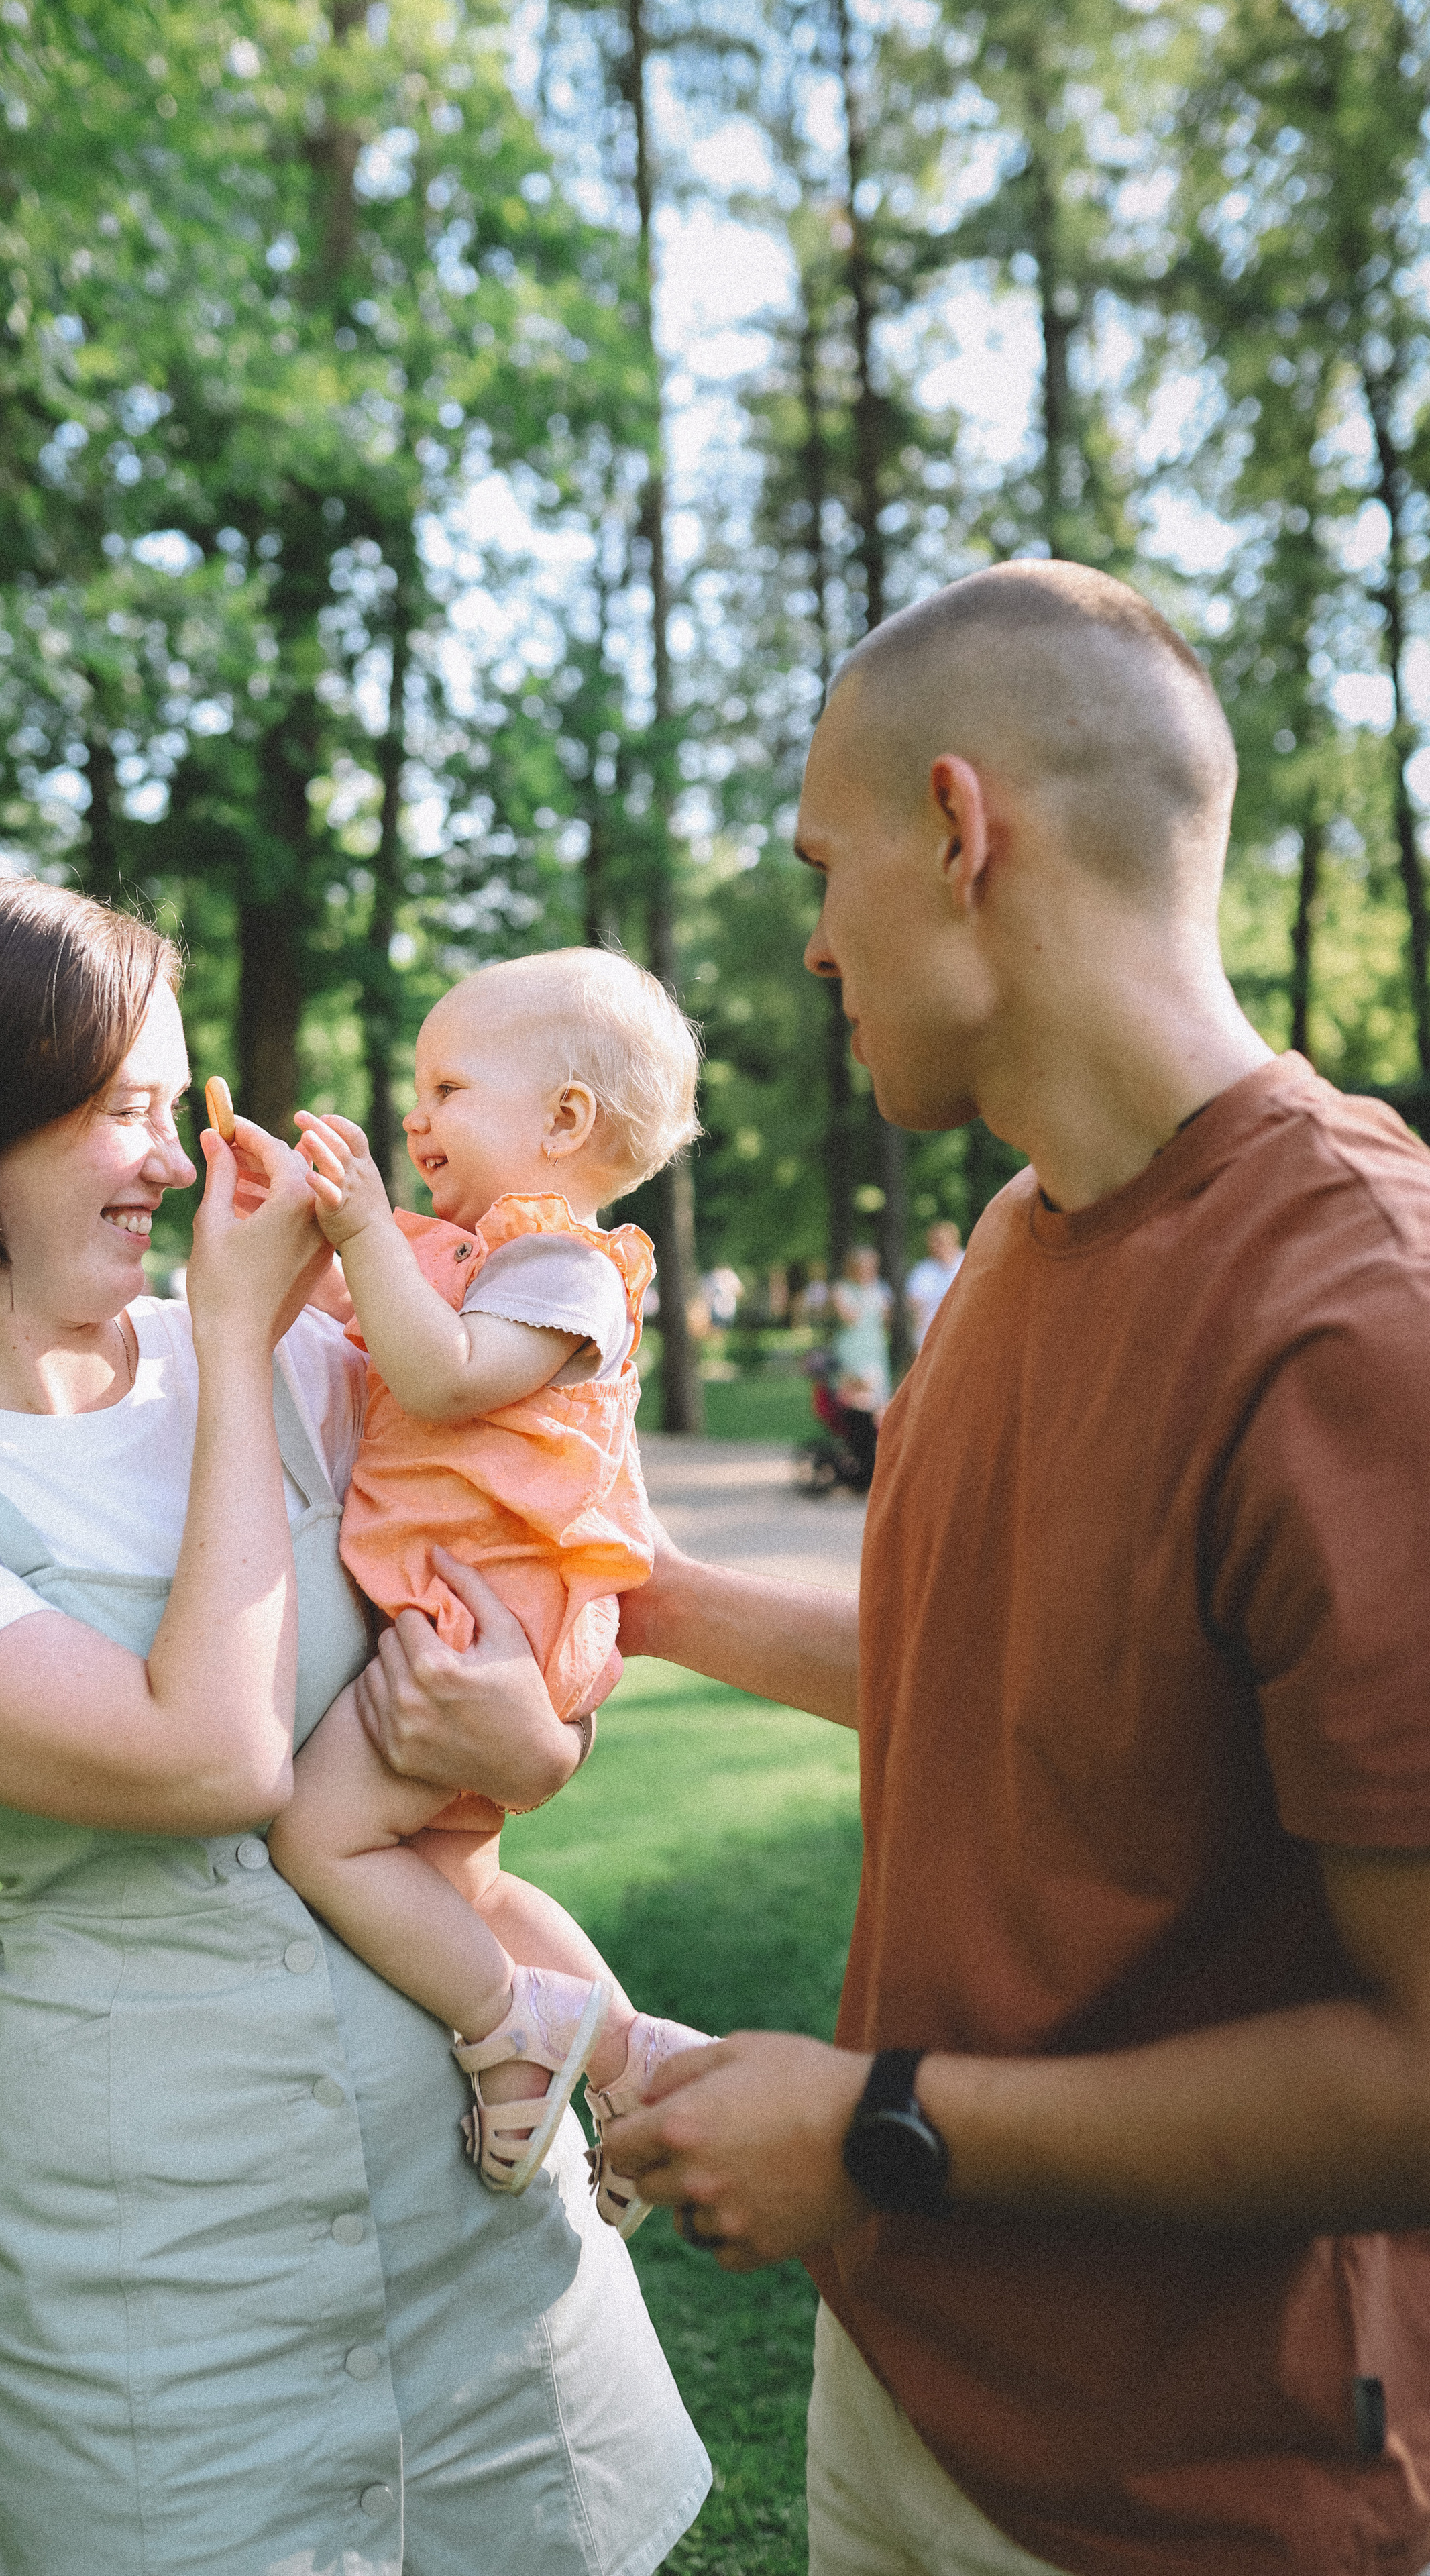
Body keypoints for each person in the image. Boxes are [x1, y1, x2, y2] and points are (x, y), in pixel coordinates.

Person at [0, 877, 710, 2576]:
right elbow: (213, 1759)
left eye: (177, 1108)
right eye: (122, 1110)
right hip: (164, 2265)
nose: (181, 1162)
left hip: (478, 2226)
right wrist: (242, 1341)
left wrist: (538, 1751)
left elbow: (549, 1603)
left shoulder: (335, 1358)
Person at [602, 561, 1430, 2576]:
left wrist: (875, 2121)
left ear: (958, 833)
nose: (809, 940)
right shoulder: (1002, 1242)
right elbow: (1018, 1679)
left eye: (824, 864)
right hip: (902, 2371)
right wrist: (648, 1595)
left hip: (1188, 2481)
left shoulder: (1360, 1314)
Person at [273, 949, 712, 2230]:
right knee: (464, 1881)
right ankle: (636, 2064)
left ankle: (508, 2027)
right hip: (477, 1614)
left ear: (565, 1121)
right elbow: (362, 1330)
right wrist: (306, 1235)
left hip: (485, 1623)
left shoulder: (565, 1270)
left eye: (449, 1084)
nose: (416, 1114)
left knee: (321, 1834)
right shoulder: (475, 1251)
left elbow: (446, 1377)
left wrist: (360, 1232)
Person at [829, 1244, 892, 1413]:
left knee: (878, 1398)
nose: (868, 1271)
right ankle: (855, 1434)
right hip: (852, 1350)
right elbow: (848, 1318)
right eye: (863, 1267)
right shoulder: (841, 1289)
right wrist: (867, 1295)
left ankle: (872, 1437)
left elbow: (886, 1319)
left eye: (871, 1267)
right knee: (856, 1398)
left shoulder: (880, 1287)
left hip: (875, 1348)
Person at [903, 1218, 963, 1350]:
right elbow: (913, 1302)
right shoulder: (923, 1270)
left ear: (954, 1239)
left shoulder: (968, 1263)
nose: (936, 1245)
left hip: (964, 1333)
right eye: (933, 1241)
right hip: (931, 1337)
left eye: (940, 1241)